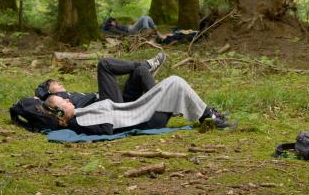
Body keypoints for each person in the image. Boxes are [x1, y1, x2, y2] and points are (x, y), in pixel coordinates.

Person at [43, 75, 234, 135]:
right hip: (145, 120)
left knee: (174, 84)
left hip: (138, 112)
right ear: (60, 112)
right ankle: (209, 116)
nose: (69, 100)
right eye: (64, 102)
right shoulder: (80, 120)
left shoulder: (80, 114)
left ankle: (208, 114)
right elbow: (108, 129)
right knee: (174, 83)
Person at [35, 53, 167, 108]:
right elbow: (39, 99)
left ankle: (163, 105)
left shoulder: (70, 94)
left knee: (140, 72)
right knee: (104, 64)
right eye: (55, 84)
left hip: (118, 100)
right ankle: (145, 64)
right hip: (110, 107)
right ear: (49, 91)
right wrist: (40, 97)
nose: (60, 83)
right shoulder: (55, 99)